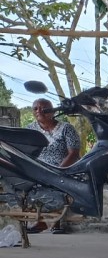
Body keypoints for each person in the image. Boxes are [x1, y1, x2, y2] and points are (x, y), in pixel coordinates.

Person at [26, 98, 81, 234]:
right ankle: (41, 222)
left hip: (63, 167)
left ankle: (57, 222)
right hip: (39, 169)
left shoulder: (66, 128)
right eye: (35, 108)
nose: (39, 111)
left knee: (56, 185)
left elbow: (73, 153)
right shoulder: (30, 130)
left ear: (52, 111)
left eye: (44, 108)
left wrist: (58, 171)